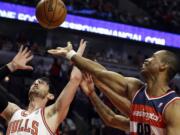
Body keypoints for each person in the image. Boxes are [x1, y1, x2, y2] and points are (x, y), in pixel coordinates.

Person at [48, 43, 180, 135]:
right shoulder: (135, 88)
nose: (147, 59)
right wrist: (71, 54)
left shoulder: (174, 106)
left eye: (153, 57)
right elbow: (101, 73)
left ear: (163, 66)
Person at [0, 40, 86, 135]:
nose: (36, 82)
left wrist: (74, 56)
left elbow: (75, 79)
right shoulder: (13, 112)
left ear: (50, 96)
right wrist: (11, 66)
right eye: (35, 82)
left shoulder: (51, 114)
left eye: (42, 82)